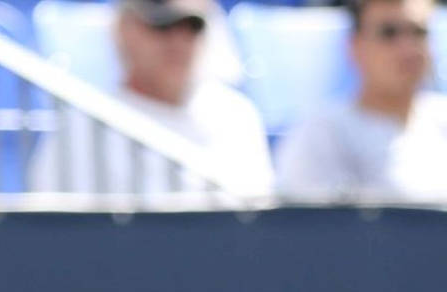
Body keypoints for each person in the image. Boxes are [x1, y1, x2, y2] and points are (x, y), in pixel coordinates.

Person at [27, 0, 273, 199]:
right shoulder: (82, 128)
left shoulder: (237, 116)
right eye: (162, 26)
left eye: (192, 26)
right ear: (124, 29)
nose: (178, 41)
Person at [277, 0, 447, 201]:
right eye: (389, 33)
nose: (408, 48)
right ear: (355, 46)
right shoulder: (323, 134)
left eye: (419, 32)